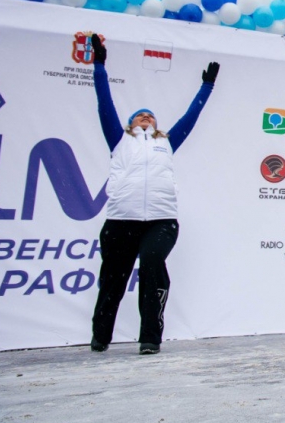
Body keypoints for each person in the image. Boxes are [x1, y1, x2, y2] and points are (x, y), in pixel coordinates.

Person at [87, 34, 219, 355]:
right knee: (113, 281)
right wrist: (100, 65)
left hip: (161, 221)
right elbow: (105, 101)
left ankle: (150, 337)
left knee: (151, 265)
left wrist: (207, 87)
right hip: (121, 221)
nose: (146, 117)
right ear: (131, 123)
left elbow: (191, 117)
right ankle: (101, 336)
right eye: (140, 115)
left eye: (151, 116)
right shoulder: (119, 140)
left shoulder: (167, 142)